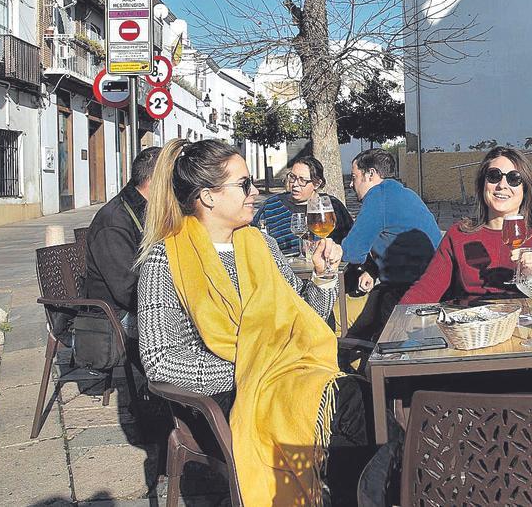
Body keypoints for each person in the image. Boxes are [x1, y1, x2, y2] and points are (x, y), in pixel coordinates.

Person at [135, 139, 369, 505]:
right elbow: (161, 361)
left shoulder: (261, 244)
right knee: (354, 408)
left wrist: (323, 278)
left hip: (290, 377)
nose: (254, 192)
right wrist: (255, 366)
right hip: (223, 400)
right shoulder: (165, 260)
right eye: (244, 184)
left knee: (368, 403)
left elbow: (304, 319)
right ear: (209, 196)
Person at [401, 146, 532, 304]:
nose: (502, 185)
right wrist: (397, 324)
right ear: (483, 184)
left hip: (529, 328)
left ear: (526, 189)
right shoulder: (460, 234)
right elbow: (426, 289)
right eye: (494, 176)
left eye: (514, 179)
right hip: (475, 329)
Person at [340, 148, 441, 340]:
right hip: (430, 287)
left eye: (354, 177)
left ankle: (345, 365)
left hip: (407, 297)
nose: (351, 184)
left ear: (370, 174)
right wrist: (373, 270)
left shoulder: (378, 196)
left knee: (334, 320)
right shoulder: (403, 193)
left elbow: (351, 252)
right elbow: (394, 240)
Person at [84, 146, 161, 336]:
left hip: (137, 305)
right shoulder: (114, 221)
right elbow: (128, 290)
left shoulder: (146, 209)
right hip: (116, 317)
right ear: (156, 182)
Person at [251, 154, 353, 257]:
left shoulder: (331, 207)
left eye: (302, 180)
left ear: (317, 183)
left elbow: (351, 239)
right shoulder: (272, 206)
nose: (295, 184)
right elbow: (252, 237)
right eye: (292, 177)